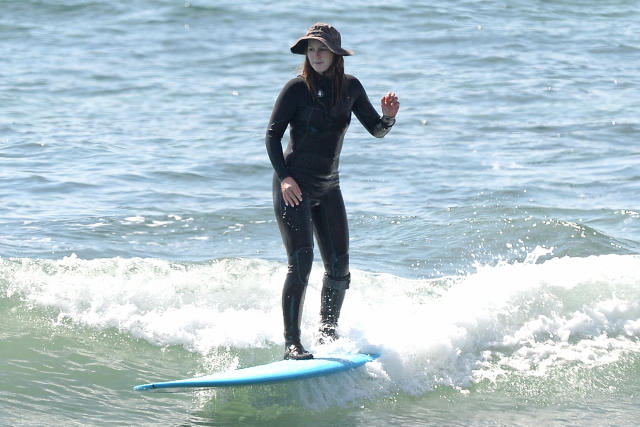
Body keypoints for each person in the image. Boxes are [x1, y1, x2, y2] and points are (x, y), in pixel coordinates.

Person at [265, 22, 400, 360]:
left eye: (322, 49)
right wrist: (284, 178)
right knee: (301, 263)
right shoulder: (295, 89)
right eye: (311, 50)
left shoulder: (351, 88)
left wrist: (388, 118)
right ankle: (292, 343)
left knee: (339, 268)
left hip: (328, 188)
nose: (316, 55)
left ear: (336, 54)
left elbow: (375, 130)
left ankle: (328, 335)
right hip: (293, 188)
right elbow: (272, 136)